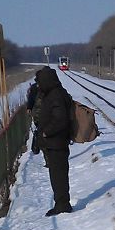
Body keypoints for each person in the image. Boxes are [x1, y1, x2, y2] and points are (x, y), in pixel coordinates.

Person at [31, 66, 73, 216]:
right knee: (57, 175)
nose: (39, 85)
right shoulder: (54, 93)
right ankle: (61, 203)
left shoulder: (55, 96)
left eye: (40, 82)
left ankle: (62, 205)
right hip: (55, 143)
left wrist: (46, 132)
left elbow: (60, 119)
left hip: (56, 143)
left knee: (58, 175)